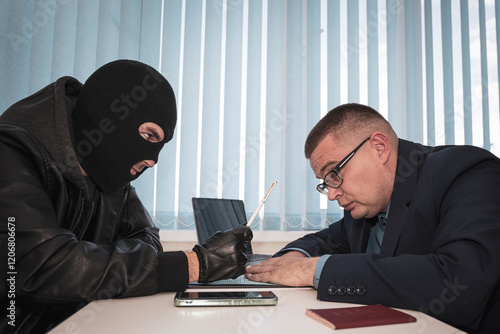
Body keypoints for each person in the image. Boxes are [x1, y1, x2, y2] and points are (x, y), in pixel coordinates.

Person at [0, 59, 252, 333]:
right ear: (111, 116)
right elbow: (42, 269)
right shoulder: (10, 154)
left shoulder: (108, 176)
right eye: (149, 134)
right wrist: (192, 265)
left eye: (161, 144)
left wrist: (91, 262)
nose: (153, 161)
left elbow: (148, 240)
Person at [245, 103, 500, 333]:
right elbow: (325, 240)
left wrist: (314, 269)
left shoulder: (466, 172)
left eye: (334, 172)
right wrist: (294, 258)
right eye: (325, 182)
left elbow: (460, 282)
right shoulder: (363, 210)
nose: (332, 194)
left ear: (379, 148)